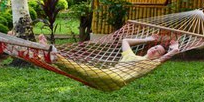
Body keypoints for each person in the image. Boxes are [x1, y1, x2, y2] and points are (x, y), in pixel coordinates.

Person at [37, 32, 180, 91]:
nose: (154, 50)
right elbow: (125, 41)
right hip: (106, 74)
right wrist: (147, 39)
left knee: (85, 70)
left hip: (115, 80)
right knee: (80, 71)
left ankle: (54, 56)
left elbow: (164, 59)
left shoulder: (151, 64)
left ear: (157, 57)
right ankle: (51, 58)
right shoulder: (130, 56)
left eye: (158, 51)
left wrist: (174, 50)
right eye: (154, 47)